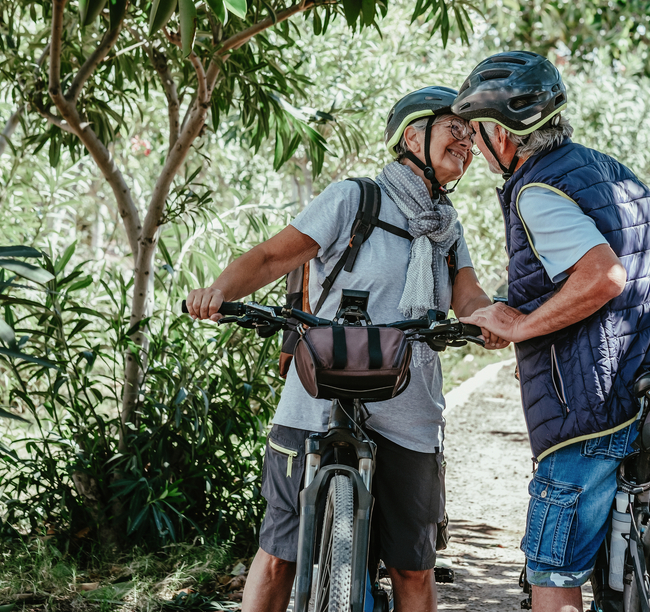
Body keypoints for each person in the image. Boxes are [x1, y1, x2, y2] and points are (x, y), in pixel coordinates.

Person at [186, 85, 507, 612]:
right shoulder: (355, 199)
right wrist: (219, 292)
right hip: (318, 392)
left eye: (473, 135)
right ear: (413, 134)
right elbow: (272, 257)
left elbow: (465, 292)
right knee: (278, 555)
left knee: (412, 566)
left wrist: (486, 316)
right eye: (457, 128)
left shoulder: (447, 227)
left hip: (408, 401)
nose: (468, 142)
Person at [452, 51, 650, 612]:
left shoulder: (538, 190)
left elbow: (604, 277)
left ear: (502, 132)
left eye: (477, 127)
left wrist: (521, 327)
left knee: (555, 572)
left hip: (591, 407)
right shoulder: (614, 172)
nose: (474, 138)